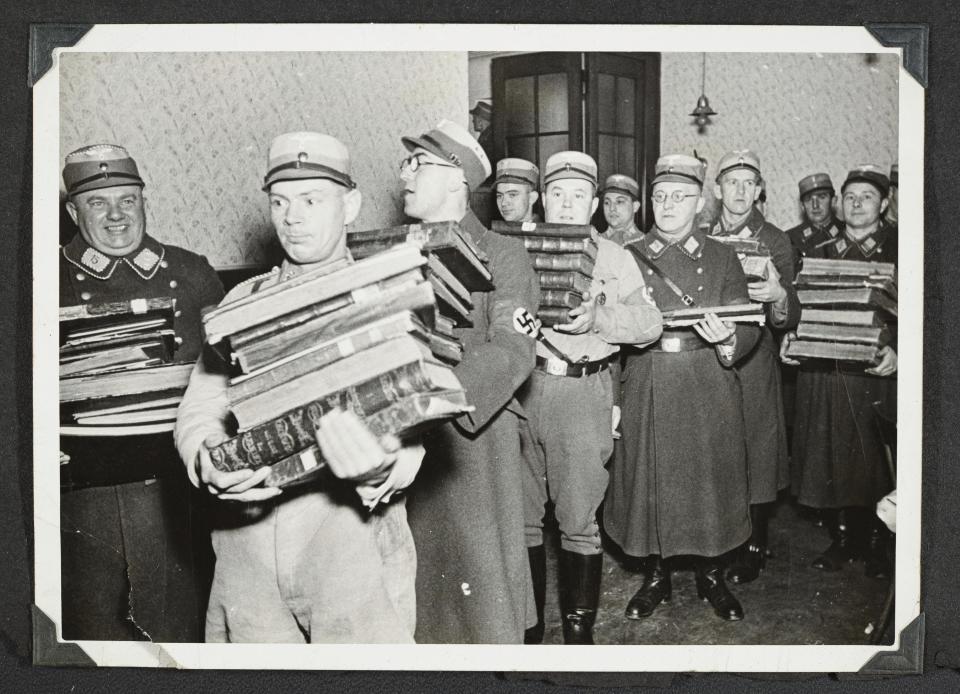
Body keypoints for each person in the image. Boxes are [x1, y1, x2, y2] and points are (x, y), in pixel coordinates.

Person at [174, 132, 425, 643]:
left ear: (349, 205)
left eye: (312, 200)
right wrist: (204, 457)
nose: (292, 217)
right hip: (245, 545)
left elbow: (420, 423)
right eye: (280, 202)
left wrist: (385, 465)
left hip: (348, 538)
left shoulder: (387, 294)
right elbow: (200, 404)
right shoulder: (243, 303)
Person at [59, 144, 225, 641]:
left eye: (127, 200)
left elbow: (232, 375)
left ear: (144, 202)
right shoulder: (43, 278)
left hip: (184, 479)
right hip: (87, 483)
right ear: (73, 211)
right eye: (97, 203)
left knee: (184, 624)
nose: (116, 216)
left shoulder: (192, 272)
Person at [397, 119, 541, 643]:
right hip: (394, 434)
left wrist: (433, 395)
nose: (405, 174)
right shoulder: (390, 250)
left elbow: (512, 347)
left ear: (458, 178)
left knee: (479, 598)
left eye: (419, 164)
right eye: (405, 163)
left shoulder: (503, 255)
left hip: (470, 440)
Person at [604, 153, 760, 622]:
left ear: (699, 204)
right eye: (660, 196)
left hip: (706, 379)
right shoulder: (626, 256)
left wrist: (730, 337)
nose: (668, 204)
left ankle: (711, 575)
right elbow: (609, 334)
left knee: (708, 484)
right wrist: (611, 401)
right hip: (647, 377)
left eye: (680, 196)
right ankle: (656, 576)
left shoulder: (722, 255)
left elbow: (750, 320)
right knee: (650, 481)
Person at [521, 152, 662, 645]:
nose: (565, 204)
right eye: (556, 193)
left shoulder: (615, 258)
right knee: (522, 519)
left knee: (578, 520)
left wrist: (600, 320)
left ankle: (579, 634)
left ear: (596, 204)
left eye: (578, 195)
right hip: (522, 391)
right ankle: (530, 629)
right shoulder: (517, 249)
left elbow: (650, 324)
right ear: (541, 199)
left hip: (583, 393)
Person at [782, 164, 898, 579]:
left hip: (872, 374)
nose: (856, 203)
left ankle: (879, 544)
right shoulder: (820, 250)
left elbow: (926, 314)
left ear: (884, 204)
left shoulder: (902, 247)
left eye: (867, 196)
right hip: (826, 372)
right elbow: (801, 306)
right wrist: (792, 338)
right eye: (850, 197)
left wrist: (899, 353)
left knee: (872, 461)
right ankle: (843, 538)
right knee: (831, 457)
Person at [708, 150, 801, 584]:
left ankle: (754, 541)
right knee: (715, 446)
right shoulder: (699, 232)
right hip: (707, 353)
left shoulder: (775, 238)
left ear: (760, 190)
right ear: (717, 189)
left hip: (756, 354)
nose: (740, 191)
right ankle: (719, 537)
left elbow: (788, 307)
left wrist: (778, 295)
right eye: (732, 182)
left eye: (749, 183)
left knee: (756, 448)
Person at [785, 173, 842, 271]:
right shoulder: (790, 239)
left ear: (833, 201)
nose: (815, 205)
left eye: (822, 197)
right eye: (808, 199)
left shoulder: (849, 232)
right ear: (802, 206)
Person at [601, 174, 644, 247]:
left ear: (635, 206)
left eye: (619, 202)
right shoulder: (595, 243)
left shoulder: (645, 243)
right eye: (607, 203)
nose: (612, 208)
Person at [494, 157, 540, 223]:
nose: (503, 203)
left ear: (532, 198)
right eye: (499, 196)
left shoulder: (546, 232)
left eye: (512, 195)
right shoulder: (497, 231)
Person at [470, 100, 495, 166]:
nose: (472, 121)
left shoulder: (489, 139)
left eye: (474, 118)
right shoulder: (486, 136)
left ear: (480, 121)